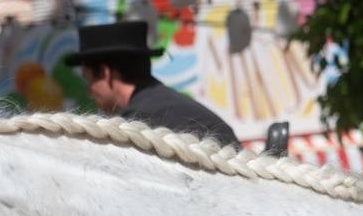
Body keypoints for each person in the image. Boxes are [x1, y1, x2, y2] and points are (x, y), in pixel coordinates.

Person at [65, 20, 238, 147]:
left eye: (89, 81)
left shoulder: (138, 123)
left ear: (105, 73)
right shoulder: (168, 104)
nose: (89, 92)